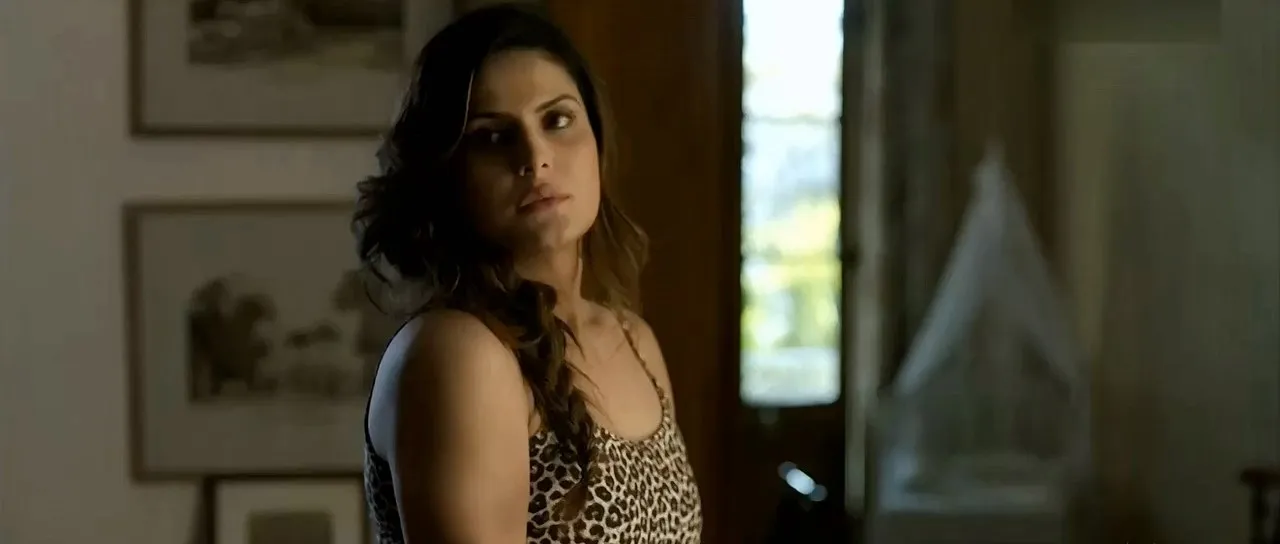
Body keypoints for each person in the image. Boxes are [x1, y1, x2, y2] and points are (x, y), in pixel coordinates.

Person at [353, 4, 702, 543]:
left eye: (557, 120)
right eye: (493, 136)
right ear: (449, 171)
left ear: (596, 138)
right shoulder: (459, 352)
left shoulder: (633, 339)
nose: (536, 157)